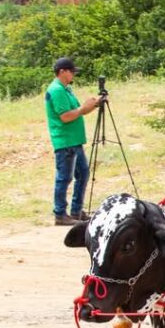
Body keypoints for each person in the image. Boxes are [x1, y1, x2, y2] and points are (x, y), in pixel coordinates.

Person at [46, 57, 100, 226]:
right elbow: (65, 116)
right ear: (62, 71)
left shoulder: (66, 89)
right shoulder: (57, 90)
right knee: (64, 178)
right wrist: (84, 108)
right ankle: (60, 214)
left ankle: (76, 211)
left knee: (83, 174)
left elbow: (77, 112)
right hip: (65, 141)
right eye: (71, 72)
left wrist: (93, 105)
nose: (73, 75)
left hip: (74, 141)